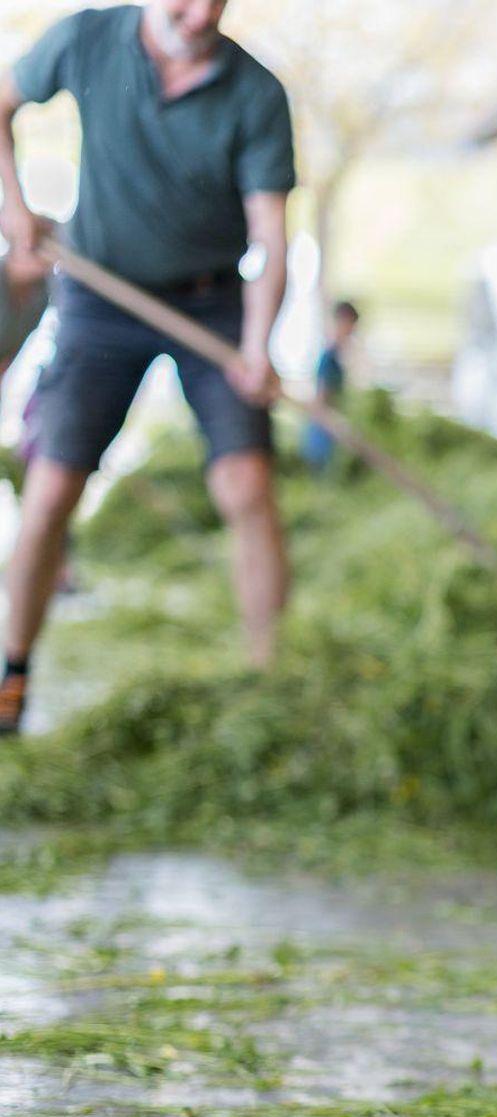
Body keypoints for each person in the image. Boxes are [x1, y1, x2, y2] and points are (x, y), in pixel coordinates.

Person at [0, 1, 294, 736]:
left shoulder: (256, 93)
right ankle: (12, 674)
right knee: (51, 490)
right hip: (99, 293)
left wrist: (258, 344)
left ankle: (274, 689)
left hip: (211, 304)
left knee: (248, 487)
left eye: (215, 1)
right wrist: (15, 208)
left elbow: (271, 235)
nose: (197, 15)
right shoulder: (85, 38)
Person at [299, 297, 356, 473]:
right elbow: (321, 399)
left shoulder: (336, 358)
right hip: (322, 430)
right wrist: (337, 423)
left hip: (327, 428)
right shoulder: (328, 358)